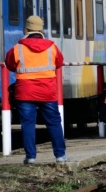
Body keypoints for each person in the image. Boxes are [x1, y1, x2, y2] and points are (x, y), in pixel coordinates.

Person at [5, 15, 68, 164]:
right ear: (41, 29)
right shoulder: (52, 47)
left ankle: (31, 157)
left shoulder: (18, 48)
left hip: (25, 91)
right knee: (53, 122)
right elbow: (59, 62)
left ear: (26, 29)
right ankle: (60, 155)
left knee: (27, 123)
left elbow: (10, 64)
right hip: (47, 90)